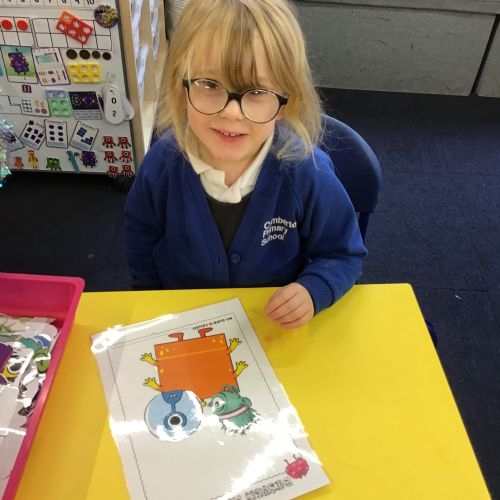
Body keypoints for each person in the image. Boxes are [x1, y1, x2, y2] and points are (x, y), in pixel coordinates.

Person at [124, 0, 367, 329]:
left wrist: (313, 290)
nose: (231, 112)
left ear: (286, 102)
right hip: (183, 322)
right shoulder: (161, 165)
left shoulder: (306, 171)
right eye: (210, 85)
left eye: (257, 91)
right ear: (181, 86)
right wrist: (149, 300)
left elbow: (343, 253)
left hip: (270, 326)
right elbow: (141, 239)